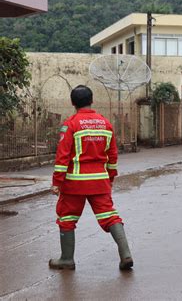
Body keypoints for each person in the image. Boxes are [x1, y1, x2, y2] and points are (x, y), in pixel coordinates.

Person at [49, 85, 133, 271]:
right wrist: (110, 177)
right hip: (100, 182)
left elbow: (62, 157)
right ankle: (126, 254)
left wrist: (57, 182)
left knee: (67, 218)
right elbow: (113, 155)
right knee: (110, 216)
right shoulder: (105, 123)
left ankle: (67, 260)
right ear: (92, 100)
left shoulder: (70, 124)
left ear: (72, 103)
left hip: (74, 184)